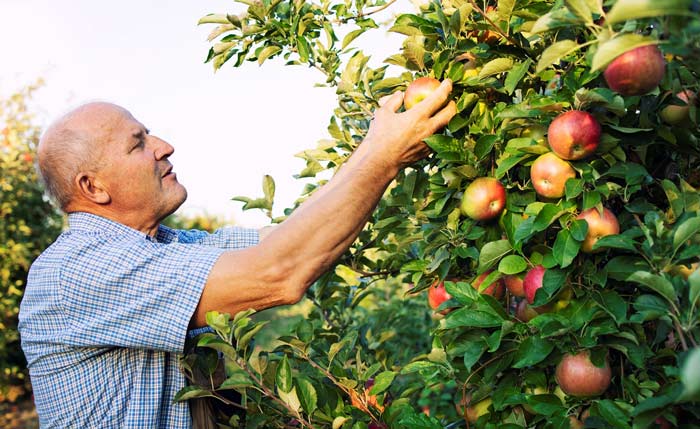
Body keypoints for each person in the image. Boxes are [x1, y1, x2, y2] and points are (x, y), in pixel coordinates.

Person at [18, 80, 456, 428]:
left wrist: (377, 150)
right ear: (93, 187)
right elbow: (278, 272)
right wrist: (382, 156)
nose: (164, 146)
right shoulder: (75, 270)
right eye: (138, 144)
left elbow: (285, 240)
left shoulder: (166, 248)